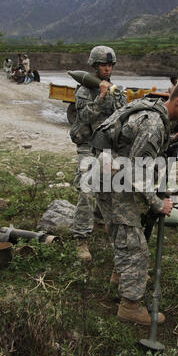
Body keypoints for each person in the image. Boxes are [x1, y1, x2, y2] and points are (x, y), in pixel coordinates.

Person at [89, 80, 178, 325]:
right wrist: (157, 203)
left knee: (124, 233)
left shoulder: (154, 114)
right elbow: (137, 173)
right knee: (135, 246)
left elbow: (136, 148)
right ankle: (130, 306)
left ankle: (120, 277)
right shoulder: (154, 124)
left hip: (110, 174)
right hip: (113, 180)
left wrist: (171, 140)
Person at [69, 45, 127, 263]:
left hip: (107, 146)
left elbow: (122, 115)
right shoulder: (84, 90)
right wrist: (101, 97)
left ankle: (101, 220)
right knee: (86, 190)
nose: (108, 68)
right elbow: (83, 117)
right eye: (104, 64)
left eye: (110, 65)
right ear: (95, 66)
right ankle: (81, 238)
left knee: (111, 188)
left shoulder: (116, 89)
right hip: (87, 145)